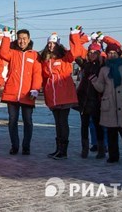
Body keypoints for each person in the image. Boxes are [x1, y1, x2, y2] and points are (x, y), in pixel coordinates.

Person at [90, 39, 122, 166]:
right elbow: (101, 88)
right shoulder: (104, 70)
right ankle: (113, 156)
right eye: (109, 53)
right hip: (110, 105)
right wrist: (94, 80)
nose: (111, 55)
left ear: (118, 54)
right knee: (111, 134)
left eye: (114, 52)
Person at [0, 27, 42, 155]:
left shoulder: (34, 55)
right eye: (19, 39)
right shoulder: (12, 53)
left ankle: (26, 146)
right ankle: (15, 145)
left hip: (27, 95)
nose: (22, 41)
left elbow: (37, 74)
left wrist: (35, 89)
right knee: (12, 121)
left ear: (29, 39)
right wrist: (6, 36)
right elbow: (2, 53)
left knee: (28, 121)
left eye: (24, 38)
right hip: (12, 94)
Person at [39, 30, 81, 160]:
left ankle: (63, 150)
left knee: (63, 122)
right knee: (58, 123)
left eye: (53, 43)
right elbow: (45, 78)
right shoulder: (45, 60)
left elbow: (75, 52)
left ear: (58, 44)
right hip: (53, 95)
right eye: (49, 43)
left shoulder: (65, 57)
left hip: (64, 94)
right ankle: (58, 149)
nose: (51, 46)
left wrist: (74, 35)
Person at [75, 42, 107, 159]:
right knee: (84, 126)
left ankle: (101, 149)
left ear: (99, 54)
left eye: (95, 52)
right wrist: (79, 38)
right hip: (84, 100)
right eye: (90, 52)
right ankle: (84, 149)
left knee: (98, 125)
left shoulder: (102, 67)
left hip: (96, 100)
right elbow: (76, 55)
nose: (92, 54)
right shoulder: (86, 65)